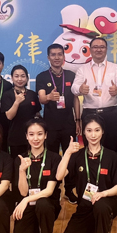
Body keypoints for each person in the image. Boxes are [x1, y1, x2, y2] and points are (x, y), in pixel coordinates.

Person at [57, 115, 117, 233]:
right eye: (89, 130)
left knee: (101, 206)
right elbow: (59, 176)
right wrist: (67, 153)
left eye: (97, 130)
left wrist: (103, 194)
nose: (93, 135)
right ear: (83, 133)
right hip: (85, 206)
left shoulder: (111, 156)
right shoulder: (77, 156)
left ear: (103, 132)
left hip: (107, 203)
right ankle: (97, 228)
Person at [11, 118, 62, 233]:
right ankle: (35, 230)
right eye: (31, 134)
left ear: (46, 135)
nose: (36, 138)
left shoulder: (54, 158)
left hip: (47, 205)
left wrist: (26, 200)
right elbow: (23, 192)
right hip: (27, 207)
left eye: (40, 134)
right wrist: (22, 171)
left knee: (43, 204)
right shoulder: (20, 159)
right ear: (26, 136)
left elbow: (49, 191)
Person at [36, 44, 81, 203]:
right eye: (53, 55)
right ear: (48, 57)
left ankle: (69, 189)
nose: (56, 57)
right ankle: (53, 190)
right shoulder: (42, 77)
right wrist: (49, 97)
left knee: (71, 158)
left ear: (64, 57)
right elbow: (41, 98)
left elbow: (76, 99)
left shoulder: (71, 75)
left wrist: (78, 120)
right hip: (50, 126)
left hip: (69, 124)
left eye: (59, 54)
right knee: (52, 158)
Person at [71, 37, 117, 152]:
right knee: (90, 148)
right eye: (95, 47)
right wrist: (80, 89)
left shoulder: (115, 68)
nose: (98, 49)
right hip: (89, 113)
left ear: (106, 49)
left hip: (110, 113)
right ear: (90, 49)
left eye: (102, 47)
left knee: (111, 147)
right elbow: (74, 87)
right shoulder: (83, 69)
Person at [2, 65, 42, 158]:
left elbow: (37, 113)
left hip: (32, 138)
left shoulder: (32, 94)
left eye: (23, 76)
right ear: (12, 78)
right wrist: (17, 102)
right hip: (16, 138)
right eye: (16, 76)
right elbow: (9, 116)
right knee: (17, 164)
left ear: (27, 78)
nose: (20, 79)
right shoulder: (7, 95)